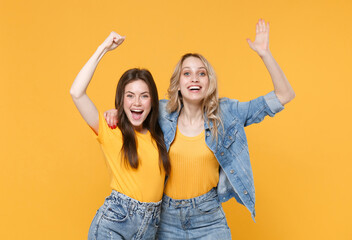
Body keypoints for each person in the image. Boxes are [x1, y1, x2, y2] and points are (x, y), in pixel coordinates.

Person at [105, 19, 295, 239]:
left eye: (201, 73)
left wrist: (265, 54)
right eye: (187, 73)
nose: (194, 78)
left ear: (209, 81)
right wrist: (117, 112)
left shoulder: (228, 113)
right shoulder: (161, 112)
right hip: (167, 218)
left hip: (209, 218)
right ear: (177, 83)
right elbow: (135, 107)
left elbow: (284, 95)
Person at [70, 32, 170, 240]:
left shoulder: (161, 134)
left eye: (144, 96)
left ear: (153, 101)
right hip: (114, 225)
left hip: (151, 226)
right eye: (130, 96)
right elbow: (76, 93)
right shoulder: (111, 130)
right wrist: (103, 49)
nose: (137, 103)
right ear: (121, 100)